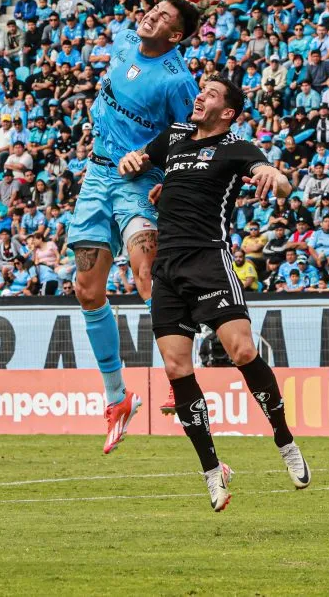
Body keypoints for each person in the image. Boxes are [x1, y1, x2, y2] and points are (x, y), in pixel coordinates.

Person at [118, 76, 311, 512]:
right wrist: (134, 161)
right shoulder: (176, 136)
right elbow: (141, 158)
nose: (199, 96)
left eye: (210, 94)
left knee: (242, 351)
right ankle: (212, 471)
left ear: (227, 113)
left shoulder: (235, 147)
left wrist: (270, 174)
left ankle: (284, 439)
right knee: (175, 366)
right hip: (167, 266)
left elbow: (279, 182)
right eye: (200, 90)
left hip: (209, 260)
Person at [66, 0, 201, 453]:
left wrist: (152, 161)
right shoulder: (125, 40)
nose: (151, 16)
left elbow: (189, 135)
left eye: (164, 16)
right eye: (153, 10)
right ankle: (117, 398)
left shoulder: (178, 80)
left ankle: (178, 374)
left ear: (176, 36)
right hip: (97, 176)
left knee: (147, 275)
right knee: (86, 288)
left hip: (138, 183)